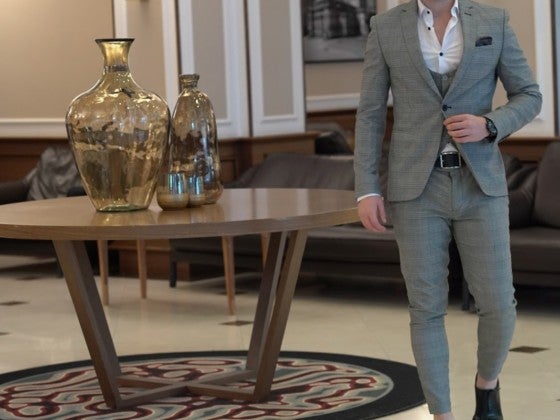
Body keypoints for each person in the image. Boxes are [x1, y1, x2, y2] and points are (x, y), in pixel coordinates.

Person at [354, 1, 542, 419]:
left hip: (481, 185)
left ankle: (487, 384)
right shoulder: (385, 27)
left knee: (499, 305)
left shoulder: (493, 21)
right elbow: (369, 114)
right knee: (426, 308)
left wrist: (489, 125)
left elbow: (529, 96)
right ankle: (442, 414)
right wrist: (366, 188)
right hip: (415, 188)